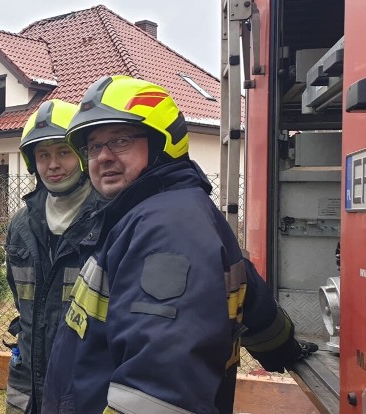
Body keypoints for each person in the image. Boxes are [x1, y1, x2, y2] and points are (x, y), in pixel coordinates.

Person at [40, 76, 310, 413]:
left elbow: (158, 391)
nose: (102, 157)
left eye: (120, 141)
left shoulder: (167, 228)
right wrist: (280, 348)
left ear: (162, 143)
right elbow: (249, 294)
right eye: (94, 146)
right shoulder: (161, 212)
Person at [4, 99, 103, 414]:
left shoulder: (110, 219)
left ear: (83, 155)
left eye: (63, 152)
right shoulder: (21, 225)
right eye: (42, 155)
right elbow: (21, 299)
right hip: (29, 377)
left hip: (87, 379)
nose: (53, 165)